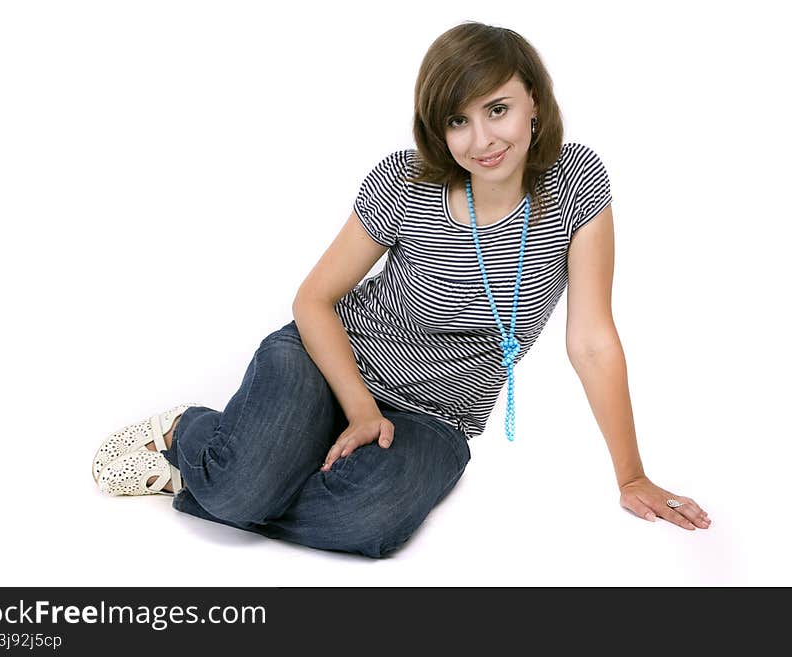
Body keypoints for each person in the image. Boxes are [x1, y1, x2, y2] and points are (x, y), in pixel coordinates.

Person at [91, 21, 711, 559]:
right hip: (329, 360)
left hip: (434, 417)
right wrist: (359, 408)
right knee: (240, 488)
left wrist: (631, 476)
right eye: (457, 121)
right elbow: (313, 299)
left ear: (534, 105)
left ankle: (255, 473)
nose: (482, 140)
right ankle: (186, 437)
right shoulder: (406, 181)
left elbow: (593, 342)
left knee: (362, 520)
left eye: (497, 109)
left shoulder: (576, 182)